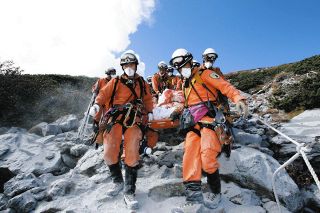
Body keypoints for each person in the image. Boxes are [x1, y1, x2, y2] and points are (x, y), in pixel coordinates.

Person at [169, 48, 249, 212]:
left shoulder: (204, 74)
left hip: (210, 121)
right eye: (177, 66)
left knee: (207, 157)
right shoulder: (185, 82)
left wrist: (238, 98)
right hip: (193, 124)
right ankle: (193, 198)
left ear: (190, 61)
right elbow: (187, 102)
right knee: (189, 157)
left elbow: (224, 85)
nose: (180, 68)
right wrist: (177, 112)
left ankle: (215, 192)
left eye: (182, 64)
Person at [89, 50, 153, 210]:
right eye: (126, 65)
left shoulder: (142, 82)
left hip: (134, 119)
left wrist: (150, 111)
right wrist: (97, 104)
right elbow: (103, 93)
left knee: (132, 151)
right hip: (115, 118)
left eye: (132, 64)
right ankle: (117, 181)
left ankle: (129, 191)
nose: (129, 67)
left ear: (136, 66)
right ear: (122, 67)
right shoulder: (116, 81)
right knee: (109, 152)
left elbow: (147, 98)